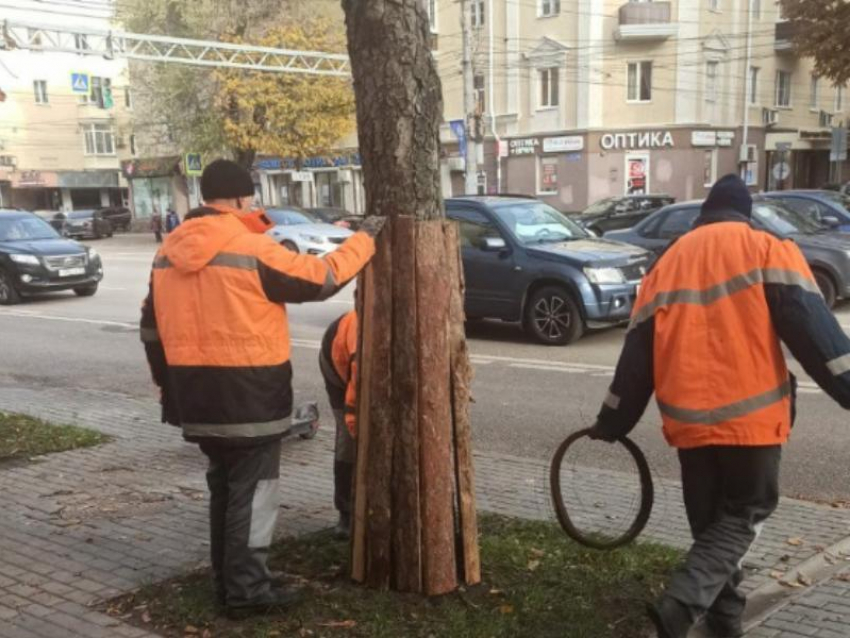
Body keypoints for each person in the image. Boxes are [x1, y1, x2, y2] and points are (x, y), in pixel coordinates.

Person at [588, 174, 850, 638]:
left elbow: (635, 362)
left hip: (689, 425)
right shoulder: (767, 249)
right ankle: (682, 604)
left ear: (704, 214)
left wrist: (613, 420)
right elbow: (817, 335)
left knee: (712, 525)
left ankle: (725, 621)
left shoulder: (664, 266)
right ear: (743, 213)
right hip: (752, 423)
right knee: (744, 514)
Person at [139, 159, 384, 619]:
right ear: (236, 199)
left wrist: (167, 388)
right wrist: (364, 240)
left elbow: (150, 329)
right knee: (254, 493)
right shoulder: (250, 247)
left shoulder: (167, 251)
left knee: (225, 488)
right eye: (249, 197)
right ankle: (248, 591)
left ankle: (228, 579)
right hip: (249, 394)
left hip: (194, 394)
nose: (253, 204)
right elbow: (322, 278)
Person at [318, 310, 358, 539]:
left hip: (352, 356)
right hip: (336, 363)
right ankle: (346, 513)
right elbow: (354, 404)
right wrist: (356, 431)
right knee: (349, 442)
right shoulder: (361, 343)